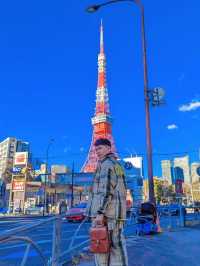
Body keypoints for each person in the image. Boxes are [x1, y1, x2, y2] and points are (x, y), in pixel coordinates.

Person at [86, 138, 128, 266]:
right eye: (95, 149)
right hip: (115, 213)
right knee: (116, 246)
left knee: (101, 245)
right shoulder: (116, 165)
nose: (97, 152)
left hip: (106, 215)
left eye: (100, 148)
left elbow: (106, 191)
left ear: (109, 148)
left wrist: (99, 212)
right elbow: (120, 189)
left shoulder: (106, 165)